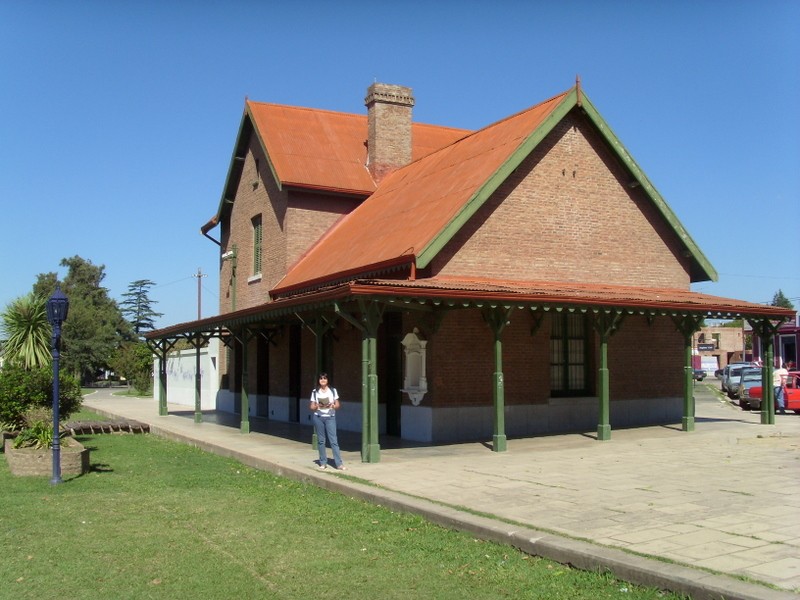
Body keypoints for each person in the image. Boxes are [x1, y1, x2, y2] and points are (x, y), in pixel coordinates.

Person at [310, 372, 346, 470]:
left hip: (330, 417)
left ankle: (339, 464)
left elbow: (337, 405)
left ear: (328, 380)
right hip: (318, 417)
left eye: (325, 378)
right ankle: (323, 462)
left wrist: (333, 406)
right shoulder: (315, 391)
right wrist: (317, 406)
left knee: (333, 441)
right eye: (321, 378)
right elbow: (312, 406)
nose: (323, 380)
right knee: (321, 441)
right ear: (318, 380)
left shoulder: (333, 391)